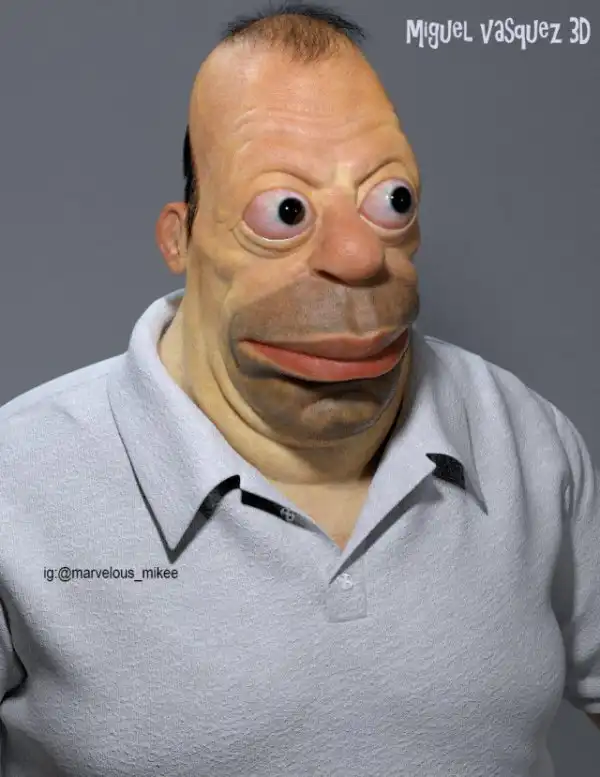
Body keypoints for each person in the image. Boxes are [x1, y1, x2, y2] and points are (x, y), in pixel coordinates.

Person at [0, 3, 598, 775]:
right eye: (285, 212)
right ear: (180, 236)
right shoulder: (18, 480)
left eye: (391, 202)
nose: (357, 255)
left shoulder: (530, 441)